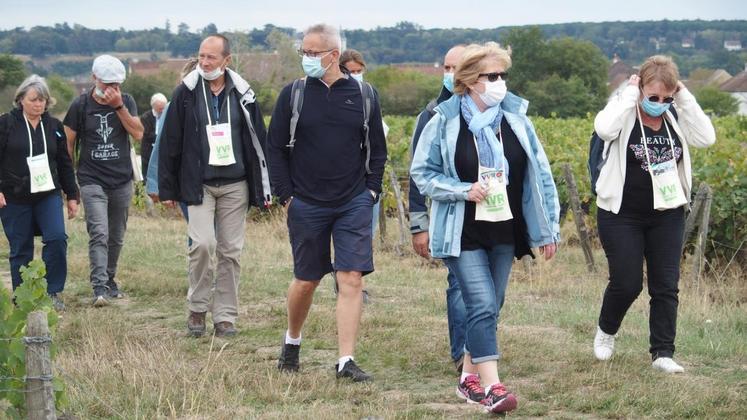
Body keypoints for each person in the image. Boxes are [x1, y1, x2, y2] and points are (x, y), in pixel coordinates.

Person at [410, 42, 559, 414]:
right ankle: (493, 388)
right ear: (470, 80)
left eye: (503, 75)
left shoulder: (517, 120)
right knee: (480, 301)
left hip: (504, 229)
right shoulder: (443, 120)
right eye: (491, 76)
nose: (499, 83)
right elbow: (422, 174)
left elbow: (541, 175)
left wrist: (548, 229)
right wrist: (462, 190)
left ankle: (467, 377)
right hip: (462, 229)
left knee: (493, 306)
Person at [268, 24, 387, 382]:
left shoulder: (365, 95)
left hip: (353, 201)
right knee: (307, 280)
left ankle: (345, 361)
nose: (305, 58)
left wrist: (371, 192)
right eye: (303, 51)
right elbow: (275, 147)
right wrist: (286, 195)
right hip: (306, 202)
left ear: (333, 55)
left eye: (312, 52)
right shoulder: (294, 94)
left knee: (351, 278)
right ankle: (292, 341)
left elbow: (376, 150)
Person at [591, 55, 715, 373]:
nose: (659, 103)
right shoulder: (623, 114)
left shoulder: (674, 116)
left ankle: (663, 353)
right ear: (640, 88)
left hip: (667, 212)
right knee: (627, 282)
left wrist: (683, 97)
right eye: (653, 97)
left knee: (665, 285)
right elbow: (604, 129)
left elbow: (706, 137)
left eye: (666, 98)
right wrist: (630, 95)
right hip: (621, 213)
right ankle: (606, 330)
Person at [159, 35, 271, 338]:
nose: (204, 63)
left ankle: (225, 317)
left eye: (211, 57)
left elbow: (259, 140)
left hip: (236, 185)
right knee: (203, 245)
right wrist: (167, 189)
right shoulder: (185, 93)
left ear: (227, 60)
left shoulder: (243, 93)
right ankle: (197, 308)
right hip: (199, 185)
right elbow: (170, 142)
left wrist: (266, 186)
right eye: (201, 57)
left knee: (231, 251)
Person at [63, 54, 144, 307]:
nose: (113, 89)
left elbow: (139, 133)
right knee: (99, 231)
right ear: (94, 79)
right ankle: (98, 286)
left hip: (121, 179)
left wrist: (119, 106)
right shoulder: (80, 105)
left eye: (117, 85)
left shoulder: (126, 101)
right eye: (108, 84)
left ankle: (110, 279)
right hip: (91, 178)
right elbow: (68, 142)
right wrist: (70, 183)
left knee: (116, 235)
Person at [408, 44, 467, 374]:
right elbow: (417, 175)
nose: (449, 74)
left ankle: (479, 346)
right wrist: (419, 225)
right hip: (448, 215)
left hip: (489, 214)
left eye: (456, 67)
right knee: (459, 283)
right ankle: (462, 354)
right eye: (446, 67)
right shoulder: (430, 116)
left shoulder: (496, 113)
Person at [0, 75, 79, 311]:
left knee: (56, 238)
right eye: (34, 99)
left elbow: (65, 162)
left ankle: (52, 292)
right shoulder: (6, 124)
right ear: (21, 99)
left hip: (48, 193)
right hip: (14, 195)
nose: (39, 104)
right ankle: (23, 298)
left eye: (43, 100)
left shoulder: (53, 126)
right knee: (21, 248)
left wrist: (72, 195)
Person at [139, 92, 167, 181]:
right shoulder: (145, 117)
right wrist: (162, 137)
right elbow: (147, 134)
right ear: (153, 106)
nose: (162, 110)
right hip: (148, 151)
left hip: (163, 150)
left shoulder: (167, 115)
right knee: (147, 176)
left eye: (164, 108)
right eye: (160, 108)